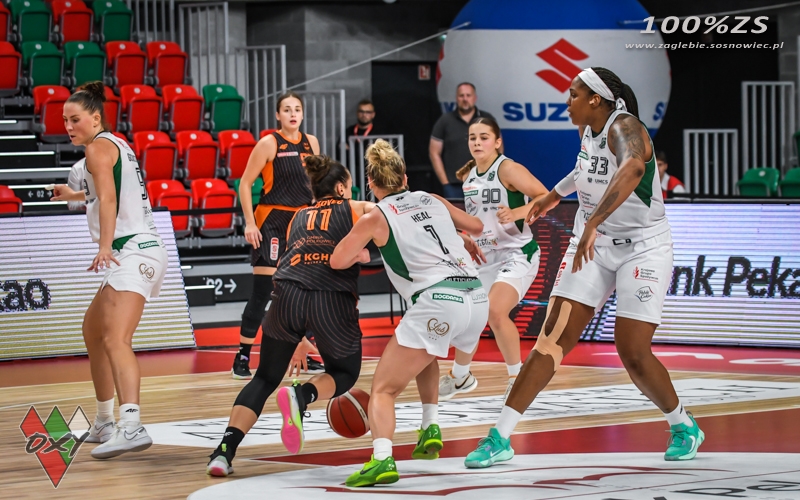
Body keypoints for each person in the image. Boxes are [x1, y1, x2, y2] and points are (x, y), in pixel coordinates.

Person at [464, 67, 704, 469]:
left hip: (643, 247)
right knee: (550, 341)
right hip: (592, 245)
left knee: (632, 351)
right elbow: (585, 171)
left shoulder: (625, 127)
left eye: (573, 95)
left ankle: (683, 425)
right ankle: (499, 437)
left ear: (596, 99)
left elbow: (632, 169)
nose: (567, 102)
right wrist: (552, 196)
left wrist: (594, 221)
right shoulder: (586, 131)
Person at [331, 139, 489, 487]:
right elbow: (477, 227)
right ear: (405, 178)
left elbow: (337, 260)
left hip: (438, 301)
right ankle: (431, 424)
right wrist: (457, 235)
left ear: (371, 183)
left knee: (383, 390)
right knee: (425, 353)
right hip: (477, 298)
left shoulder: (376, 216)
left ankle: (382, 460)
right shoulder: (433, 199)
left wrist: (363, 252)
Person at [207, 155, 374, 477]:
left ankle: (223, 453)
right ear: (341, 188)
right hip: (330, 298)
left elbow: (299, 262)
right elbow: (388, 215)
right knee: (345, 373)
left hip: (285, 296)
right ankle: (301, 395)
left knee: (264, 378)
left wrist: (298, 336)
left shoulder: (298, 215)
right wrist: (365, 253)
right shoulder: (356, 208)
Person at [51, 81, 168, 459]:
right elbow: (104, 189)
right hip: (137, 250)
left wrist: (104, 246)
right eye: (65, 120)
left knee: (116, 339)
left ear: (96, 118)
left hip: (132, 251)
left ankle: (131, 425)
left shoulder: (97, 149)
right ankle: (103, 421)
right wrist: (71, 194)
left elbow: (110, 199)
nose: (69, 126)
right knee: (93, 331)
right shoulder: (112, 145)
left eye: (75, 119)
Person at [439, 117, 549, 402]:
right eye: (472, 137)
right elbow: (478, 220)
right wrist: (466, 239)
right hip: (484, 256)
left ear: (497, 142)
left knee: (496, 312)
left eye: (484, 137)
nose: (477, 142)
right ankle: (460, 376)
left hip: (517, 253)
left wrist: (517, 213)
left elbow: (546, 197)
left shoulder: (507, 168)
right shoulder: (468, 176)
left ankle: (517, 379)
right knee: (469, 316)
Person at [233, 91, 322, 380]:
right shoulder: (268, 143)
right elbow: (245, 183)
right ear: (277, 115)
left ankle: (302, 352)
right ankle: (242, 356)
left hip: (302, 221)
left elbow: (316, 184)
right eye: (287, 109)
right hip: (272, 220)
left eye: (297, 109)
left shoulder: (312, 143)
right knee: (263, 291)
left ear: (302, 114)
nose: (293, 114)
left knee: (306, 291)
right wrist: (249, 223)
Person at [430, 83, 495, 199]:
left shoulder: (487, 119)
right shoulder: (445, 121)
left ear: (475, 98)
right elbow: (434, 152)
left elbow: (498, 149)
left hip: (482, 183)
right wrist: (445, 183)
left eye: (468, 95)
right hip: (453, 186)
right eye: (461, 95)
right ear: (456, 98)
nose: (465, 99)